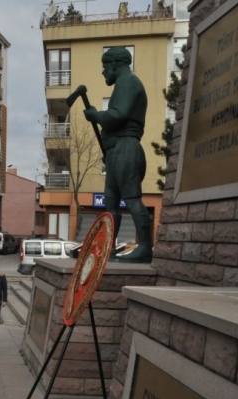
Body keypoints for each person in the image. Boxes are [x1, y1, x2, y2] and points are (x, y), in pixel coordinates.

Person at [82, 46, 152, 263]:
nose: (103, 72)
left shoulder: (128, 82)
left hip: (126, 149)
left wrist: (96, 115)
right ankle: (108, 248)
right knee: (111, 203)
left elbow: (117, 116)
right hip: (115, 151)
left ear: (115, 64)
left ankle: (145, 247)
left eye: (105, 67)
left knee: (132, 199)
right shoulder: (122, 84)